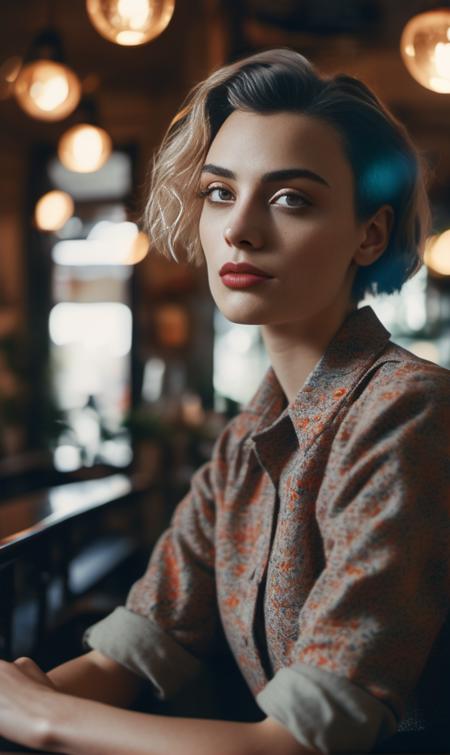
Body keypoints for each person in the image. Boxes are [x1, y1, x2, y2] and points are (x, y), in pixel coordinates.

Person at [0, 48, 449, 755]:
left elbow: (294, 744)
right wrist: (29, 701)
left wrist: (43, 717)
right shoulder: (247, 438)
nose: (239, 228)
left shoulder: (408, 409)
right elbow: (133, 651)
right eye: (218, 192)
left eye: (290, 197)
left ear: (371, 233)